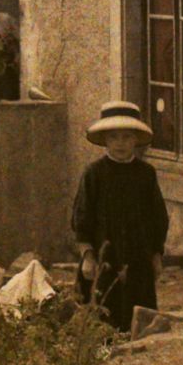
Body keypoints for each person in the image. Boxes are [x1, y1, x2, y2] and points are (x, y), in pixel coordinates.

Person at [71, 100, 170, 330]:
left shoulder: (146, 174)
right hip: (103, 257)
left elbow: (158, 218)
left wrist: (156, 255)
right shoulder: (94, 174)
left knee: (138, 318)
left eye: (126, 137)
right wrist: (87, 255)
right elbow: (81, 217)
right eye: (114, 137)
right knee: (101, 314)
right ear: (105, 140)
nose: (120, 144)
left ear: (136, 140)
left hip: (138, 258)